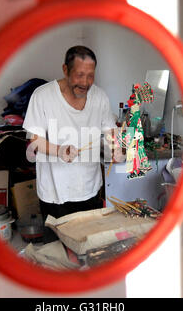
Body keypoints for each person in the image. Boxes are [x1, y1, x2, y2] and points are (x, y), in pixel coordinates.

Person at [22, 45, 124, 243]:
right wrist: (59, 150)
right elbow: (33, 140)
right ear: (65, 70)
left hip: (90, 190)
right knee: (58, 254)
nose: (85, 82)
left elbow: (110, 131)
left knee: (90, 248)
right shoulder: (42, 96)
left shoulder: (100, 97)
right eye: (79, 75)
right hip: (55, 193)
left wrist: (116, 148)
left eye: (90, 75)